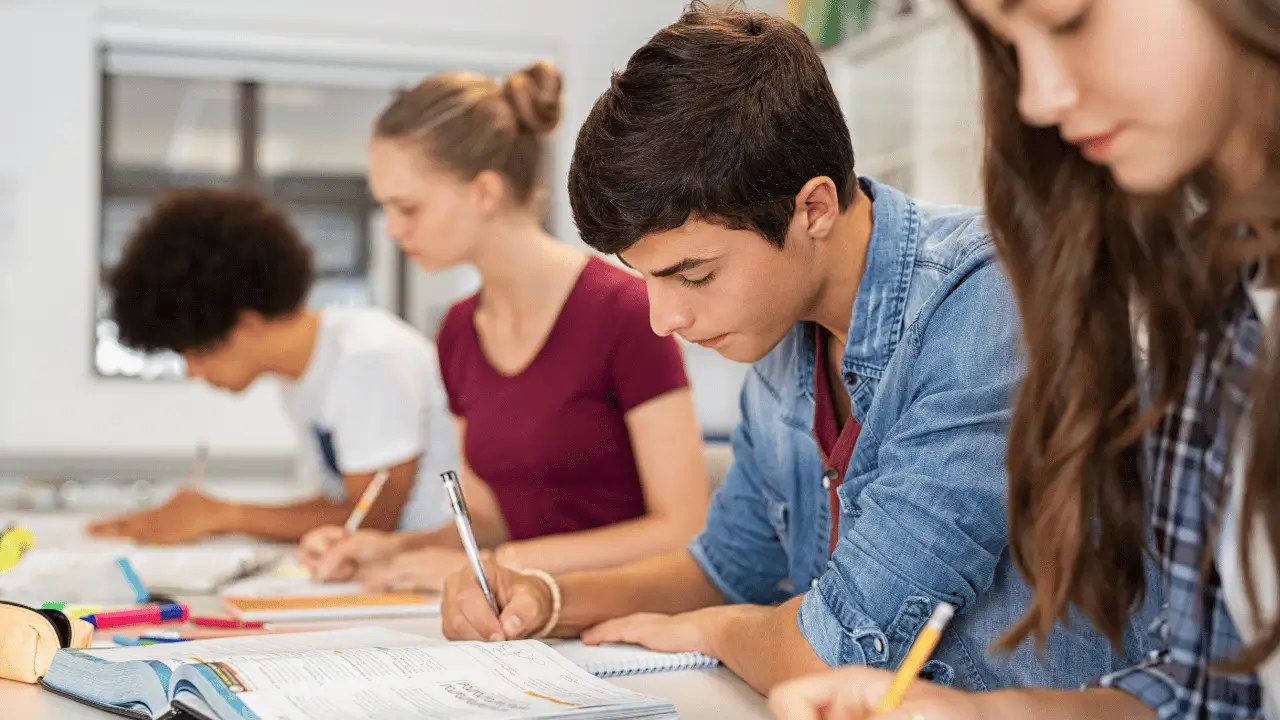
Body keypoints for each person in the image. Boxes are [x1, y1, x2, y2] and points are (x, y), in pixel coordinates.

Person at [437, 3, 1156, 697]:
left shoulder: (986, 305)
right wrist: (545, 596)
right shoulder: (784, 332)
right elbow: (726, 567)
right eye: (648, 279)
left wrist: (722, 633)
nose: (663, 318)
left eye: (693, 274)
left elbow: (835, 652)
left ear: (812, 207)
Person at [768, 0, 1280, 718]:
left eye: (1070, 22)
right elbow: (1210, 689)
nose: (1038, 98)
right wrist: (981, 716)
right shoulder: (1217, 310)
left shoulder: (973, 297)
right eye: (1009, 48)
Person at [294, 60, 711, 591]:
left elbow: (682, 528)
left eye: (408, 208)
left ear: (484, 193)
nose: (395, 230)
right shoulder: (459, 332)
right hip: (522, 623)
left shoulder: (626, 311)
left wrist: (497, 566)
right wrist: (390, 549)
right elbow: (490, 519)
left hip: (628, 619)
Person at [88, 189, 456, 545]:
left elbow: (372, 519)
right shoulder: (300, 377)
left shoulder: (369, 356)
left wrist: (223, 515)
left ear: (246, 321)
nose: (193, 372)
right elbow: (336, 506)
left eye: (196, 352)